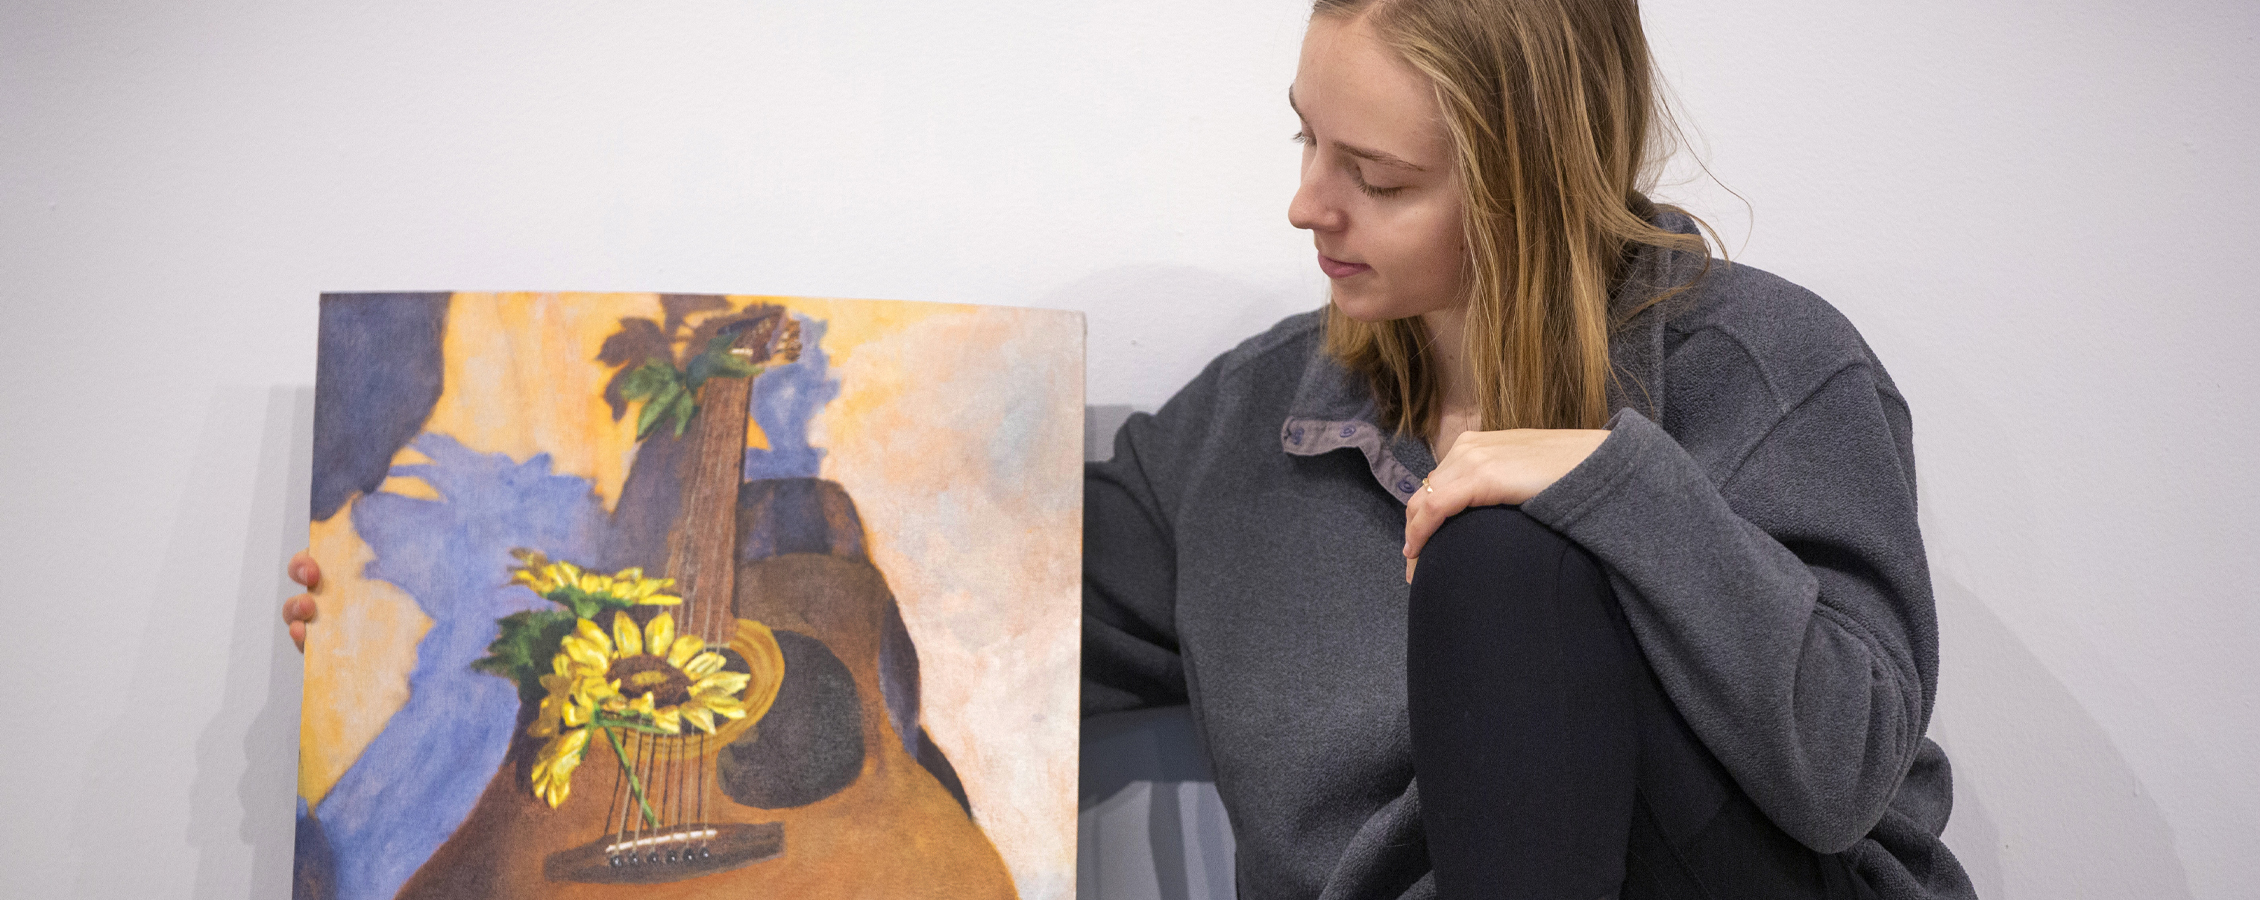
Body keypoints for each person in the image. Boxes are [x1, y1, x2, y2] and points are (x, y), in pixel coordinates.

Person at [291, 1, 1977, 898]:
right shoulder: (1252, 429)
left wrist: (1602, 479)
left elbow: (1839, 775)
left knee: (1509, 562)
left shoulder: (1769, 369)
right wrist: (416, 621)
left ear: (1530, 183)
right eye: (1306, 141)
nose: (1306, 205)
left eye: (1376, 178)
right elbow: (955, 606)